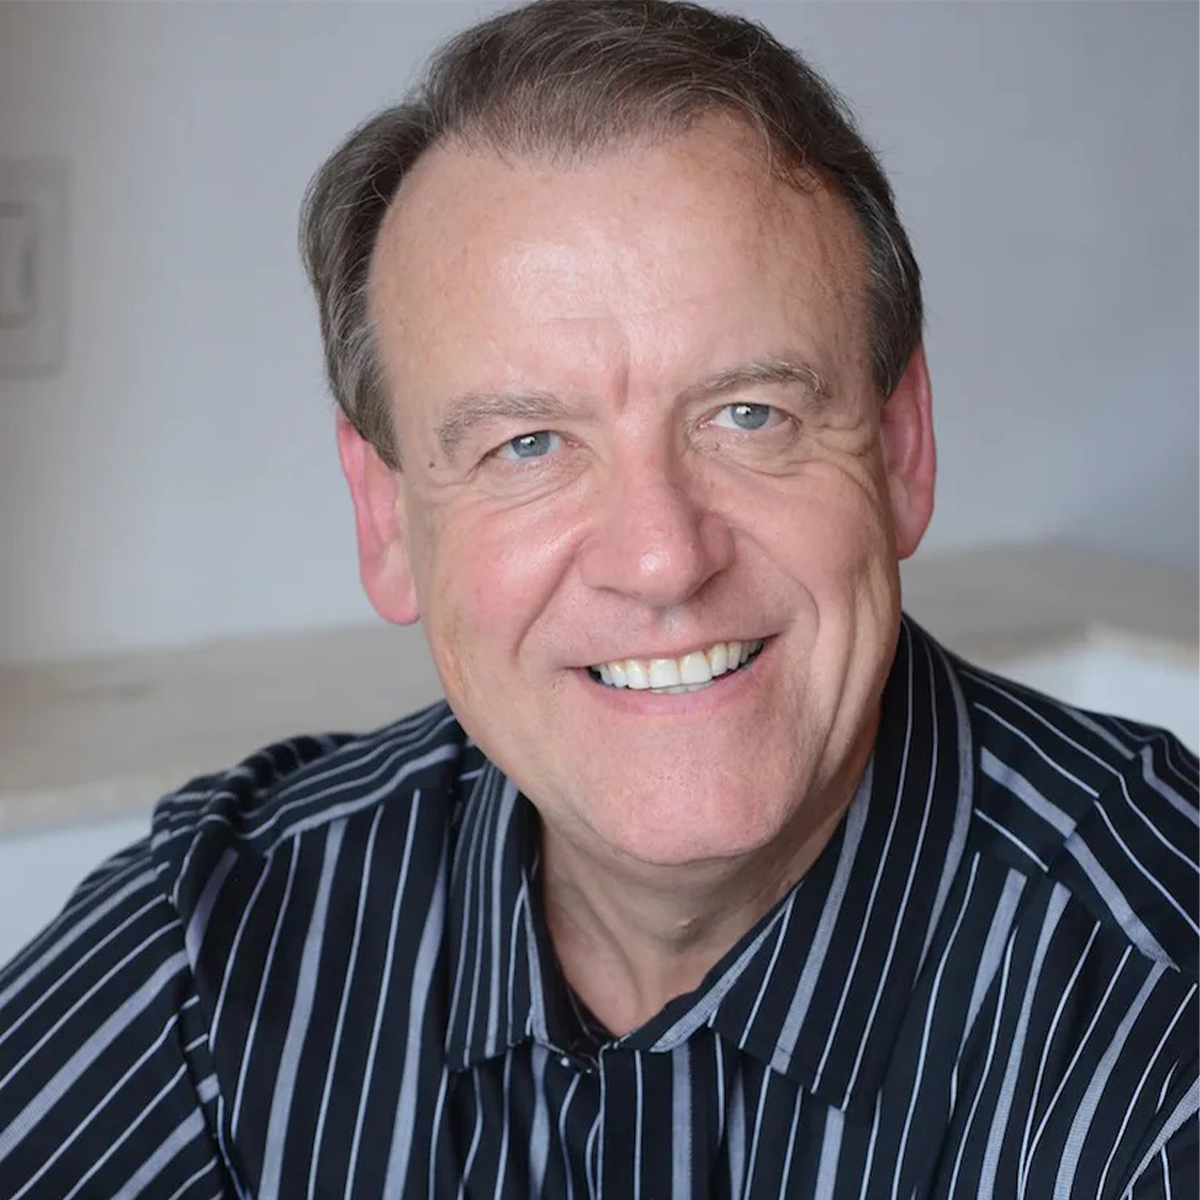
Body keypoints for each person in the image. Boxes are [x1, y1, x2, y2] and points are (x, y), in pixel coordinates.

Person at [1, 1, 1196, 1196]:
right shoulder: (212, 956)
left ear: (901, 449)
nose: (663, 558)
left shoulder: (1160, 1003)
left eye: (749, 415)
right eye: (527, 444)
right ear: (385, 520)